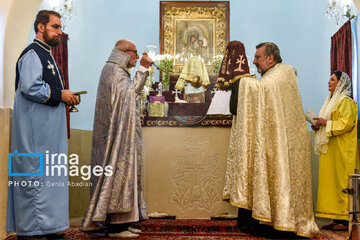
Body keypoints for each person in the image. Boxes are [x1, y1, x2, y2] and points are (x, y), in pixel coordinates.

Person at [222, 42, 319, 238]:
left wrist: (241, 79)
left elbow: (262, 89)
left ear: (270, 58)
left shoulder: (281, 75)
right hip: (275, 143)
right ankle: (262, 222)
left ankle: (279, 223)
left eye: (257, 57)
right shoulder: (273, 76)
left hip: (283, 147)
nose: (254, 61)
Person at [6, 10, 79, 240]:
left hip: (47, 136)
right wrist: (61, 94)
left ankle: (48, 226)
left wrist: (66, 96)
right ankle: (34, 229)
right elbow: (30, 86)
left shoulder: (47, 56)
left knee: (49, 182)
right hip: (34, 135)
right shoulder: (32, 54)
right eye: (55, 26)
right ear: (40, 27)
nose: (59, 31)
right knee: (35, 181)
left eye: (59, 27)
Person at [81, 39, 152, 238]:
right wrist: (143, 69)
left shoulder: (118, 71)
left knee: (128, 173)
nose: (137, 57)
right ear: (123, 52)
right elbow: (129, 94)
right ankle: (115, 227)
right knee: (119, 171)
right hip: (115, 137)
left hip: (121, 132)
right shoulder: (112, 71)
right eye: (135, 53)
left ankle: (126, 221)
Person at [312, 71, 359, 231]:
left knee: (341, 183)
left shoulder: (346, 101)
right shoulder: (331, 101)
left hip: (342, 150)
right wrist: (318, 125)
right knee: (331, 184)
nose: (328, 82)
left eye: (332, 80)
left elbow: (347, 123)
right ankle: (335, 218)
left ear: (340, 83)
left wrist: (326, 123)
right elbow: (330, 122)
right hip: (331, 149)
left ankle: (346, 220)